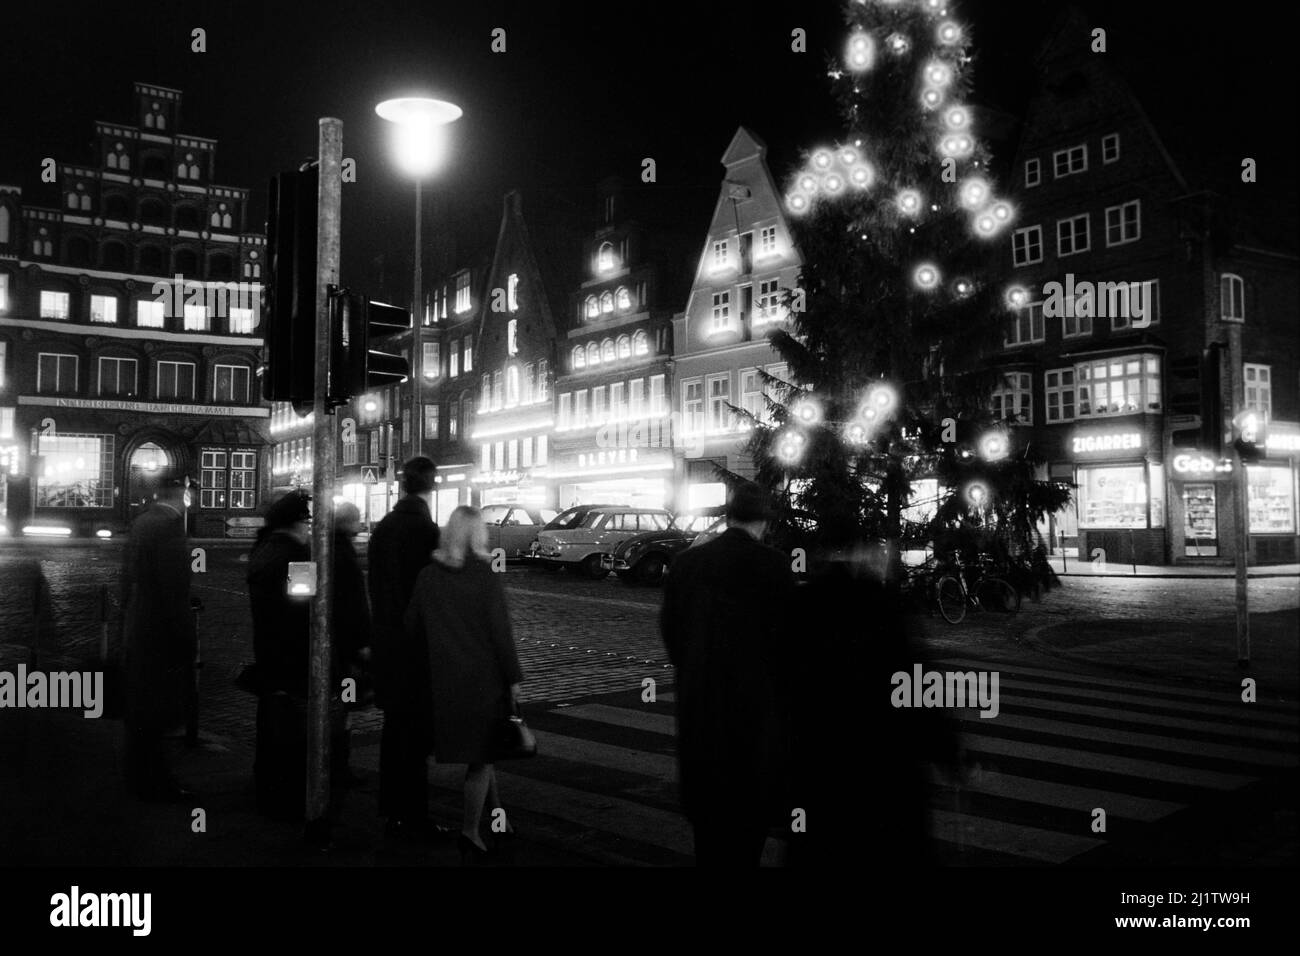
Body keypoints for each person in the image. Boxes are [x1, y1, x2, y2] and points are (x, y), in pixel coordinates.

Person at [659, 482, 796, 866]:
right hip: (754, 717)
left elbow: (671, 634)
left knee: (709, 830)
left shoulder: (687, 563)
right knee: (747, 830)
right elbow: (787, 645)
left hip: (702, 709)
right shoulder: (774, 566)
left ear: (728, 516)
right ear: (763, 523)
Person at [403, 506, 524, 865]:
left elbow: (411, 626)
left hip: (442, 679)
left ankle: (498, 817)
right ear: (478, 535)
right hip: (483, 679)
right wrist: (513, 678)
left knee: (483, 750)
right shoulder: (485, 575)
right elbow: (501, 634)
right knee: (482, 757)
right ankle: (471, 832)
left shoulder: (427, 576)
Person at [367, 456, 446, 841]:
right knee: (414, 739)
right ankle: (412, 815)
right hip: (415, 648)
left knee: (395, 731)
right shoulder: (425, 530)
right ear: (432, 486)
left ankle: (392, 810)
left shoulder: (384, 527)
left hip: (387, 644)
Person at [119, 478, 197, 802]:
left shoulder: (142, 521)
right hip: (158, 632)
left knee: (143, 711)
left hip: (140, 626)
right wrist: (184, 637)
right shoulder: (168, 527)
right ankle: (154, 782)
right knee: (156, 710)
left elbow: (128, 577)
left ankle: (141, 776)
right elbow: (173, 589)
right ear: (183, 496)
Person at [333, 501, 372, 781]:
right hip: (345, 645)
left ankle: (337, 763)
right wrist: (362, 642)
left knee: (342, 703)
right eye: (357, 519)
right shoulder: (343, 553)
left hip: (337, 640)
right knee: (343, 703)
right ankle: (339, 766)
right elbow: (353, 602)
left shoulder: (328, 547)